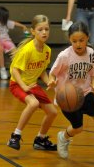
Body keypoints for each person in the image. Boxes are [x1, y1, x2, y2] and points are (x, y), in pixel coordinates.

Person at [47, 21, 94, 165]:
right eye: (74, 41)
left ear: (88, 38)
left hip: (86, 92)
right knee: (78, 128)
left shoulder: (92, 54)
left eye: (81, 40)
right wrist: (51, 82)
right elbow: (52, 74)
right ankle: (63, 137)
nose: (78, 44)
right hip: (68, 97)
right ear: (70, 40)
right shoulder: (64, 56)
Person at [7, 14, 57, 151]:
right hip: (17, 84)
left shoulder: (47, 51)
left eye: (46, 29)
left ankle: (40, 140)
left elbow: (42, 71)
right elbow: (14, 70)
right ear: (33, 31)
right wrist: (23, 86)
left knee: (52, 112)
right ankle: (15, 136)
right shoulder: (27, 50)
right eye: (40, 29)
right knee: (33, 103)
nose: (44, 32)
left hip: (32, 85)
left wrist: (49, 81)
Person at [0, 6, 27, 80]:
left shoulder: (6, 22)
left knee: (15, 52)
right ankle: (2, 70)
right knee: (0, 50)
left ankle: (17, 70)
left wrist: (23, 26)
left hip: (6, 40)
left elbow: (14, 23)